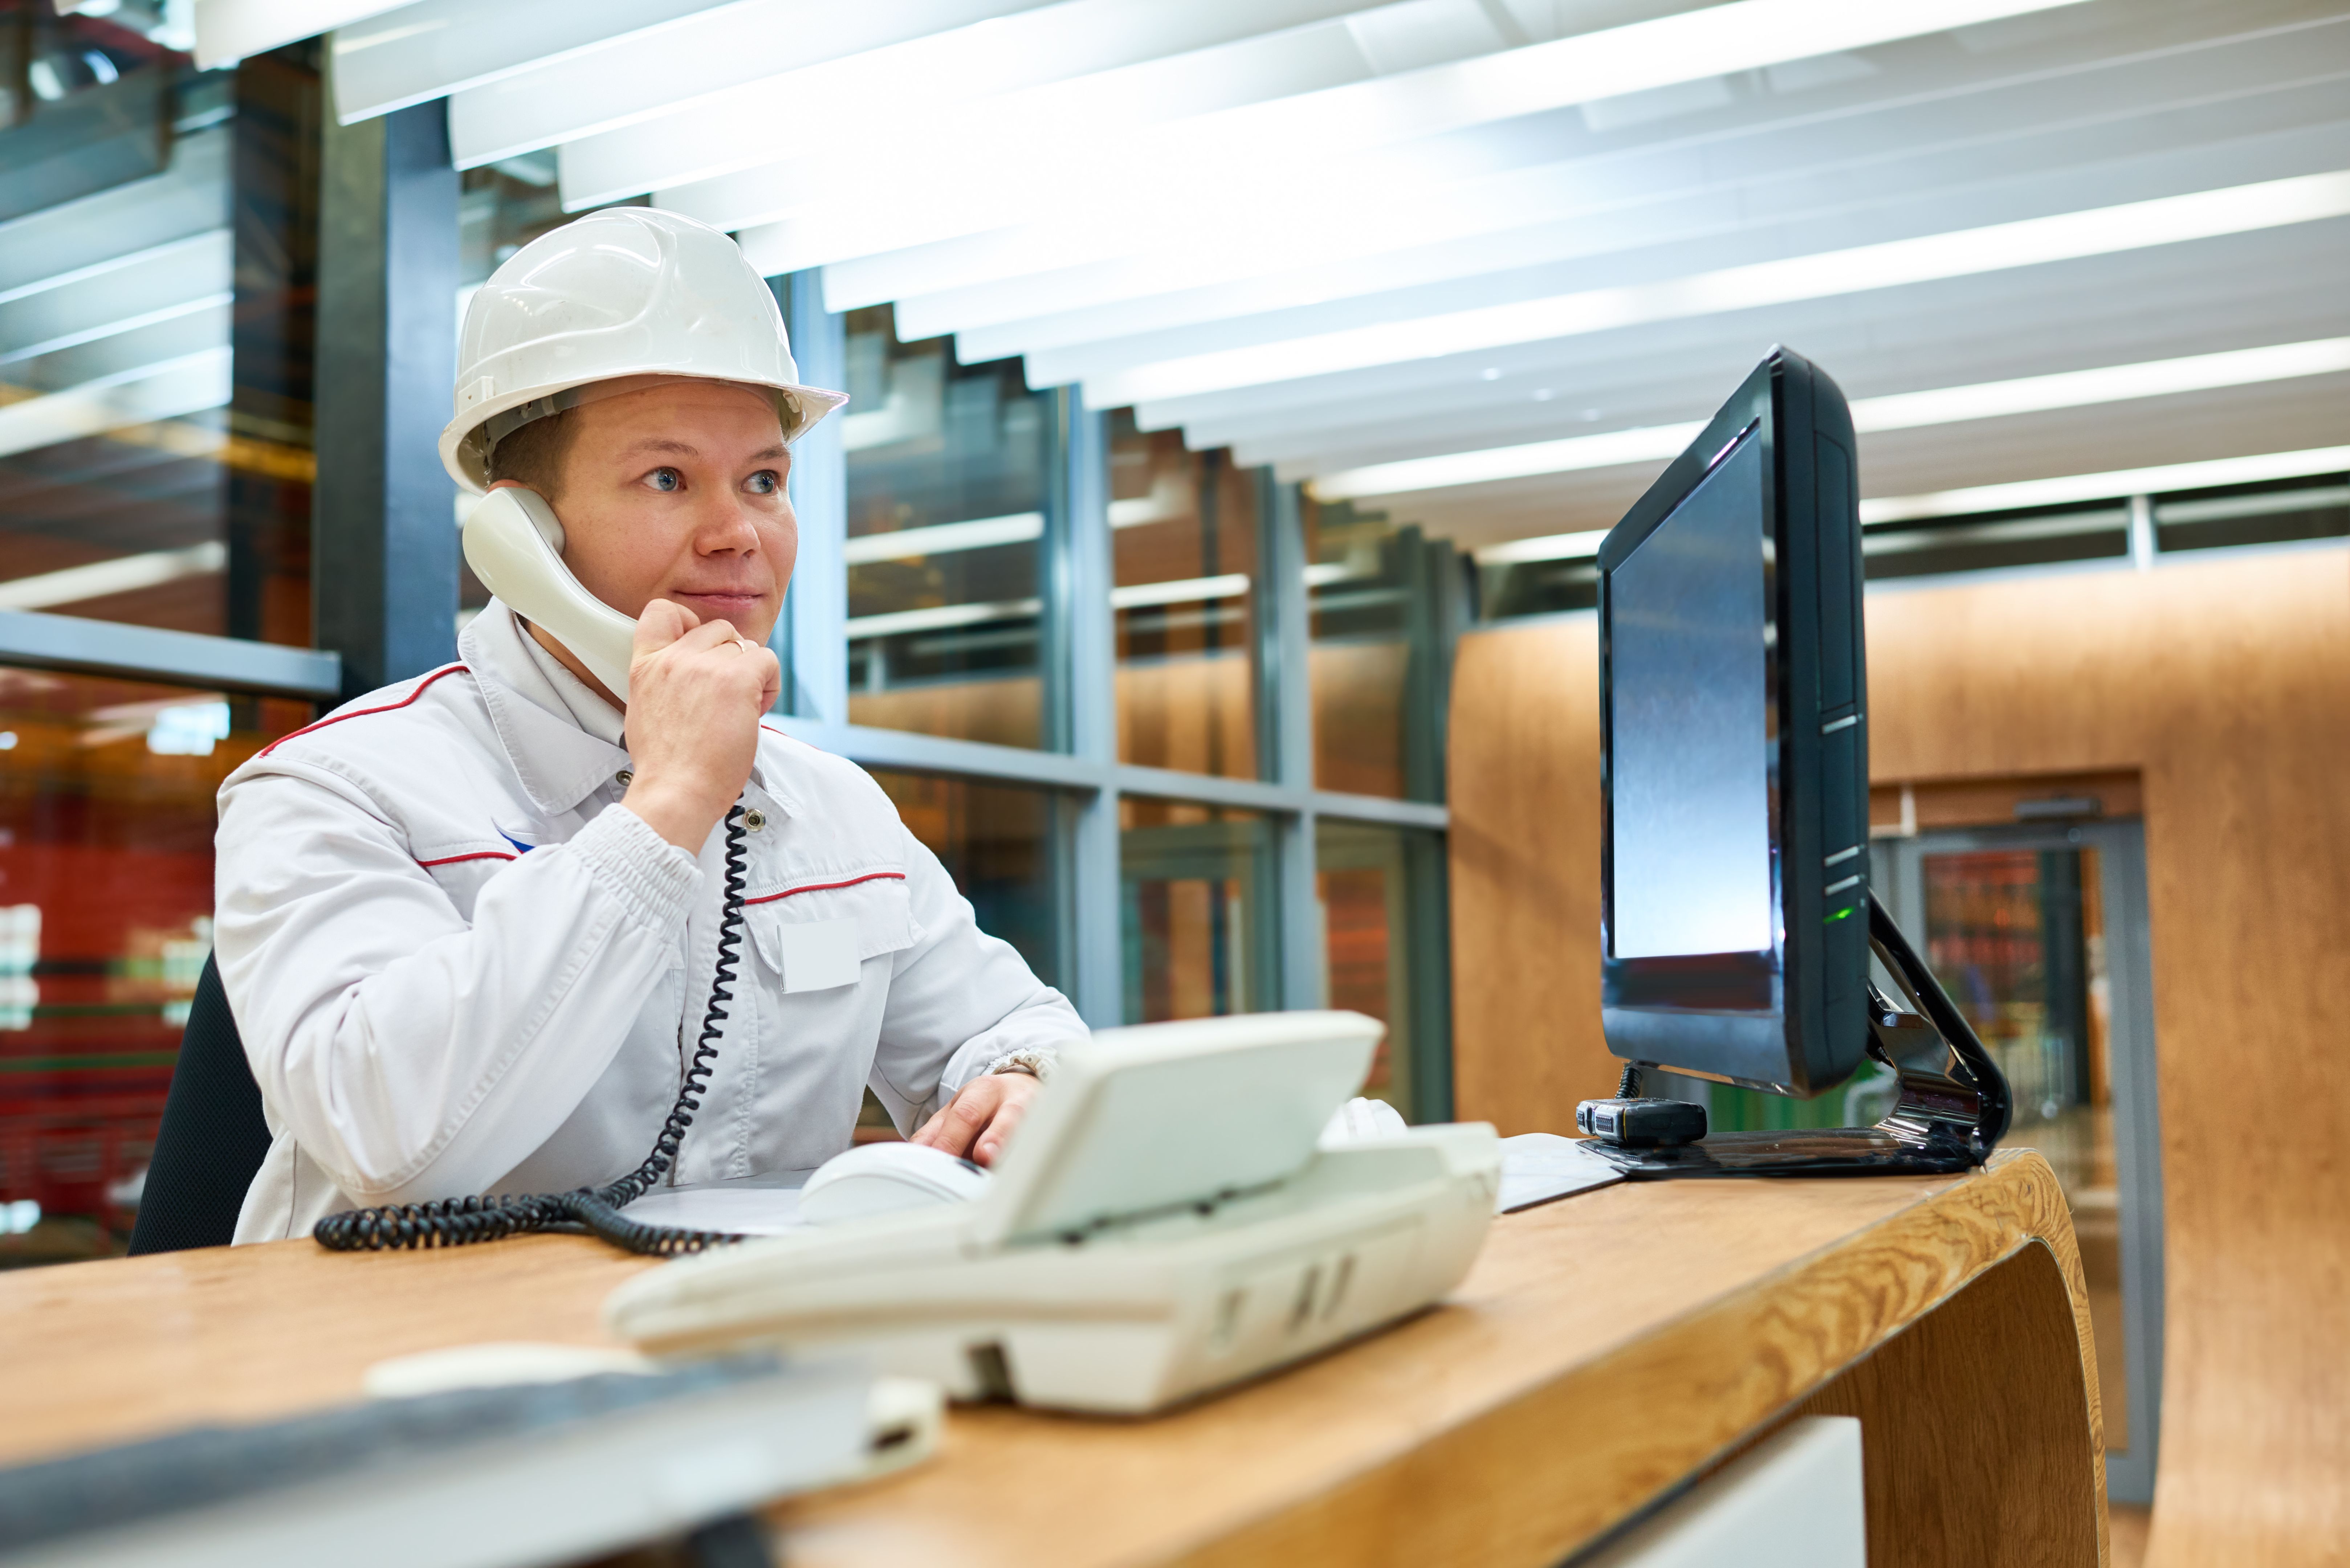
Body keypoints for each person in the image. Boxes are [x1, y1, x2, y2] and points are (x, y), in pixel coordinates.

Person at [213, 208, 1084, 1245]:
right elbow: (387, 1139)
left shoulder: (831, 807)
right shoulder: (338, 787)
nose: (739, 534)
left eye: (764, 480)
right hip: (408, 1342)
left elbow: (1015, 1024)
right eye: (667, 479)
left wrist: (1025, 1079)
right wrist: (666, 804)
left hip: (742, 1329)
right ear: (524, 533)